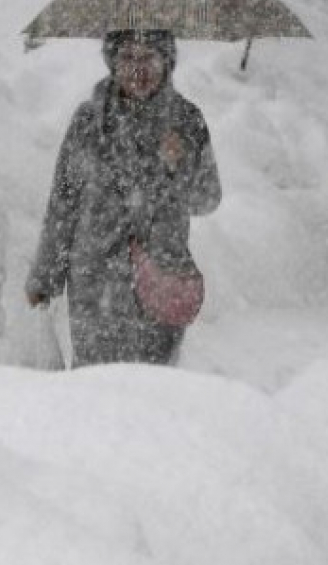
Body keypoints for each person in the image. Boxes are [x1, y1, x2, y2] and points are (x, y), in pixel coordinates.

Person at [26, 29, 222, 367]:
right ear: (112, 62)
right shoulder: (88, 121)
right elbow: (63, 202)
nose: (138, 68)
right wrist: (45, 276)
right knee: (95, 388)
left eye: (149, 57)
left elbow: (208, 199)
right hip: (95, 282)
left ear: (167, 61)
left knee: (153, 392)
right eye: (127, 57)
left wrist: (180, 165)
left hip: (161, 278)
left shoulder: (187, 121)